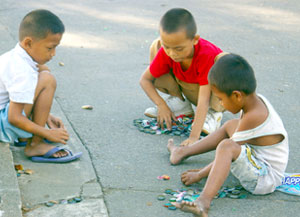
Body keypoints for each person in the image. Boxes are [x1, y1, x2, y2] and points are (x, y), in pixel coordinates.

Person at [167, 54, 289, 216]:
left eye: (220, 99)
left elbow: (227, 152)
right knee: (231, 125)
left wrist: (200, 174)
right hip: (258, 160)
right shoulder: (256, 101)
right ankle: (182, 152)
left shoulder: (254, 117)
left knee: (227, 146)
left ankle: (203, 202)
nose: (221, 104)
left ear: (237, 96)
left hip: (265, 179)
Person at [0, 9, 82, 163]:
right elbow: (14, 117)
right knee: (47, 79)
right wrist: (45, 132)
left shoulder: (16, 57)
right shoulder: (23, 70)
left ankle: (26, 136)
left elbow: (17, 99)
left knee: (43, 70)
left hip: (3, 115)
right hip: (3, 125)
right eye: (49, 48)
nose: (53, 54)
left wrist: (45, 116)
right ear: (28, 43)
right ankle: (35, 144)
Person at [140, 8, 227, 146]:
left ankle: (213, 113)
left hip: (212, 97)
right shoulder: (168, 51)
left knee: (223, 60)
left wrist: (193, 137)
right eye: (167, 46)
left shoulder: (206, 54)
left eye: (179, 49)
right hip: (189, 88)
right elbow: (145, 80)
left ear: (195, 40)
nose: (172, 53)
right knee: (155, 49)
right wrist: (161, 105)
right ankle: (182, 104)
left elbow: (204, 99)